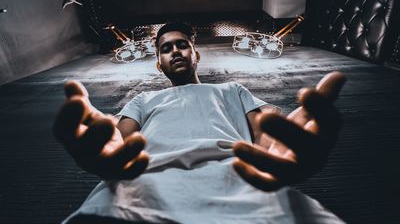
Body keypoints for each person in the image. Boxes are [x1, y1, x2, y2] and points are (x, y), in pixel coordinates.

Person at [53, 22, 347, 223]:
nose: (175, 51)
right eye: (166, 49)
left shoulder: (233, 90)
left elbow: (266, 134)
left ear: (196, 55)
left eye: (182, 45)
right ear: (159, 63)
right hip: (140, 193)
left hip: (245, 188)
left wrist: (282, 145)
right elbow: (117, 141)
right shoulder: (143, 99)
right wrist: (102, 148)